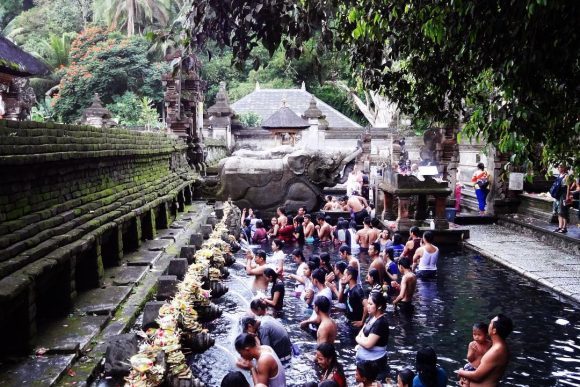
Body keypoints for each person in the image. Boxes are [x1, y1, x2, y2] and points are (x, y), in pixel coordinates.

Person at [457, 314, 513, 387]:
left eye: (490, 323)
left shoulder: (496, 351)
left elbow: (477, 376)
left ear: (494, 330)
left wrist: (460, 371)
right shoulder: (500, 346)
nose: (488, 325)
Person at [355, 292, 390, 382]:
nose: (368, 306)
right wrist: (361, 339)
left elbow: (368, 344)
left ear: (379, 306)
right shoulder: (371, 317)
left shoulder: (381, 323)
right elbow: (360, 333)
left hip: (375, 363)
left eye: (371, 304)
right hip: (365, 362)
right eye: (368, 304)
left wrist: (359, 339)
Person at [552, 163, 572, 233]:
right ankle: (560, 226)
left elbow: (568, 186)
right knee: (558, 211)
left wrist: (567, 195)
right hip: (558, 194)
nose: (559, 168)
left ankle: (564, 227)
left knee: (563, 211)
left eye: (560, 167)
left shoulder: (566, 176)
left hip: (563, 194)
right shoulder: (559, 175)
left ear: (564, 168)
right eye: (558, 167)